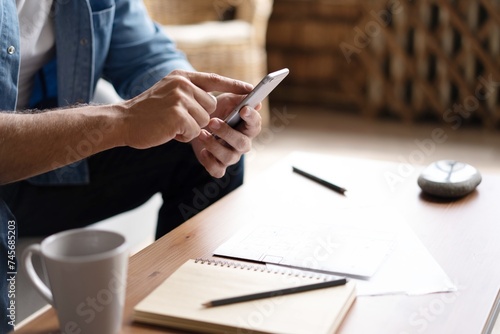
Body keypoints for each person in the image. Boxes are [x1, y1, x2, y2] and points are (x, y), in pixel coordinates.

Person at [0, 0, 262, 332]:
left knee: (197, 150)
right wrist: (122, 120)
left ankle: (181, 315)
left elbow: (146, 54)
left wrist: (196, 110)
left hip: (48, 169)